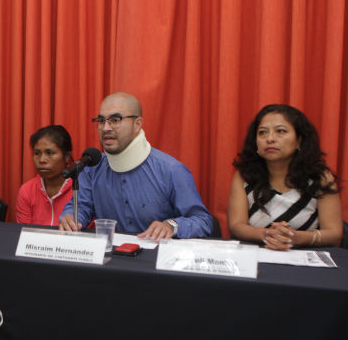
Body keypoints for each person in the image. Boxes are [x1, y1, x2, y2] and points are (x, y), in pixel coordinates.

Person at [59, 92, 212, 241]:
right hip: (109, 261)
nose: (105, 128)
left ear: (137, 124)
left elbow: (203, 221)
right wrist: (72, 217)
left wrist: (172, 226)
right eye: (101, 120)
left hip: (155, 261)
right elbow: (81, 207)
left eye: (115, 119)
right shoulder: (91, 167)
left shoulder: (171, 170)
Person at [228, 104, 342, 250]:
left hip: (305, 258)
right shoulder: (244, 176)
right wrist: (267, 234)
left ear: (299, 140)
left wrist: (295, 237)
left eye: (280, 131)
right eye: (262, 132)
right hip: (257, 256)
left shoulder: (319, 178)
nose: (270, 139)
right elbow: (236, 226)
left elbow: (334, 234)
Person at [16, 125, 74, 226]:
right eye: (37, 153)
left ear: (66, 157)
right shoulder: (27, 190)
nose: (42, 160)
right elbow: (24, 233)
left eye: (50, 153)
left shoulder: (80, 189)